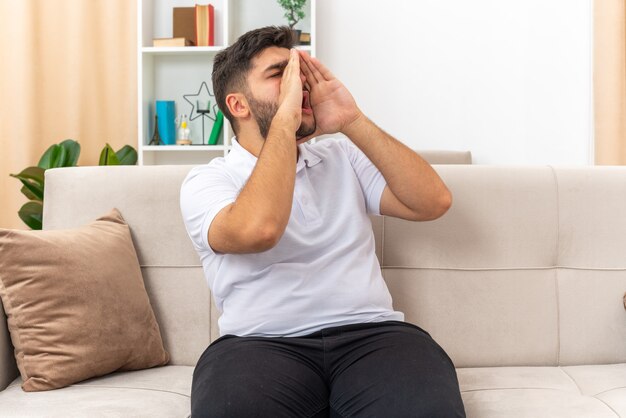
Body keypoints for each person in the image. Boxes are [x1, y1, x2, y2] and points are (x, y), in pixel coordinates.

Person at [180, 26, 466, 418]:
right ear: (238, 105)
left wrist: (352, 119)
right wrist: (285, 119)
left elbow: (434, 202)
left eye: (302, 71)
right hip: (257, 345)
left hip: (372, 336)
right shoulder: (209, 181)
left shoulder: (342, 156)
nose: (300, 83)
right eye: (280, 73)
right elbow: (259, 230)